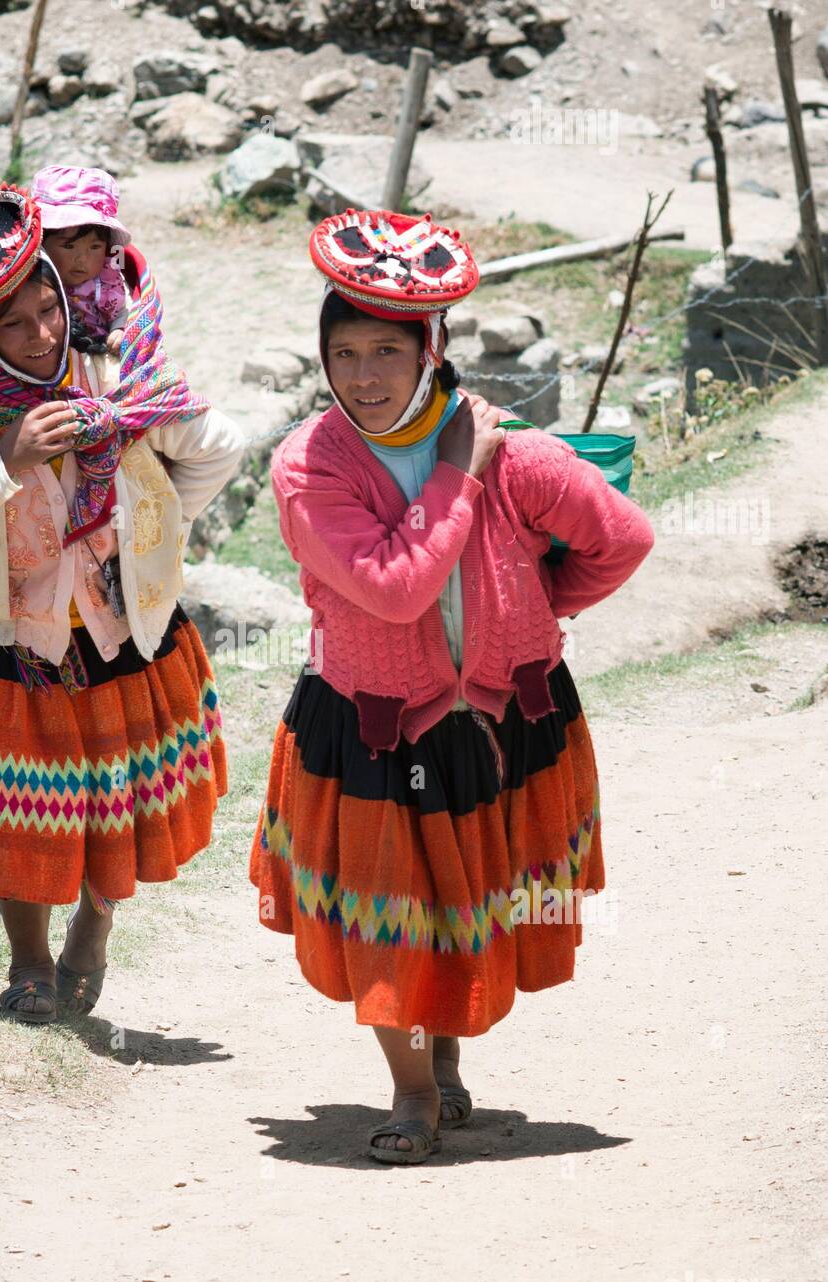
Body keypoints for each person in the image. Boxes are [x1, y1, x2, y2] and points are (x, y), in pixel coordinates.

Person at [248, 208, 655, 1163]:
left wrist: (535, 608)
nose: (362, 376)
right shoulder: (310, 468)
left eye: (385, 351)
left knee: (466, 899)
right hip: (371, 719)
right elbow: (394, 591)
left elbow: (622, 538)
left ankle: (448, 1057)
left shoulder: (513, 452)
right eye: (342, 353)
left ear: (430, 348)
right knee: (391, 910)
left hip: (499, 715)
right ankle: (412, 1091)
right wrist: (457, 480)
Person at [0, 184, 246, 1023]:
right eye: (15, 323)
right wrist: (3, 459)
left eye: (50, 307)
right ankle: (29, 963)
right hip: (7, 640)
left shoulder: (113, 371)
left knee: (115, 801)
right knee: (20, 808)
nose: (43, 334)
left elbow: (218, 444)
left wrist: (154, 520)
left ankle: (94, 929)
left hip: (119, 632)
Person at [32, 165, 131, 356]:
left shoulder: (107, 282)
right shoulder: (30, 282)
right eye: (68, 246)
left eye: (95, 248)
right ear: (42, 243)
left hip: (96, 353)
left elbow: (122, 311)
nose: (82, 259)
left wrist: (118, 330)